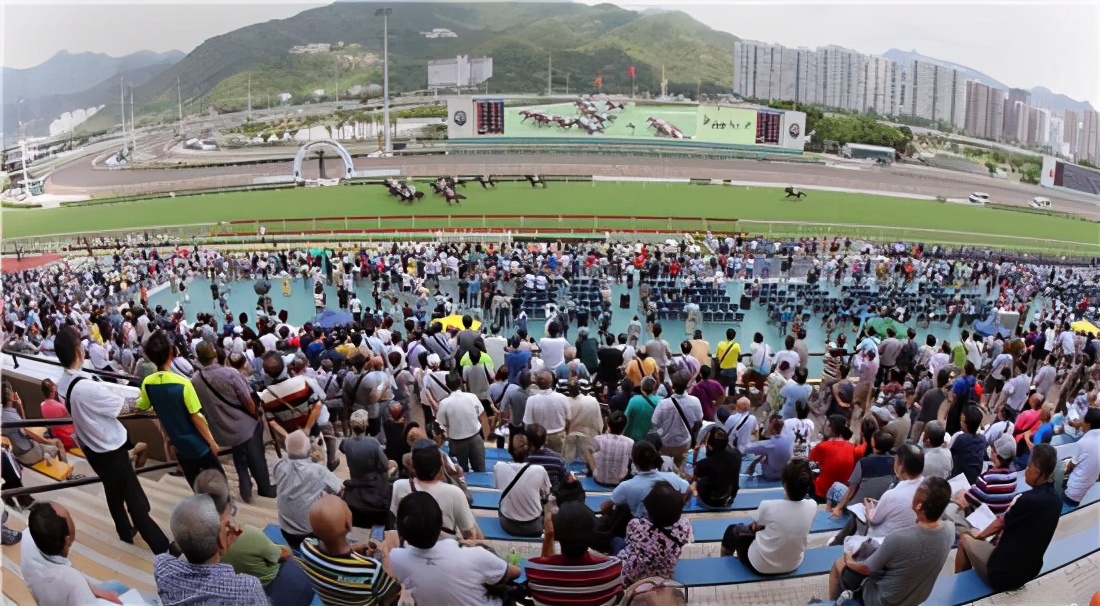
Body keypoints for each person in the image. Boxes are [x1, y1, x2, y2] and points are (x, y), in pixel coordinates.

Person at [54, 326, 171, 553]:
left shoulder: (63, 385)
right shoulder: (86, 388)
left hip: (93, 449)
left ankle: (124, 532)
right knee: (137, 505)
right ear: (78, 352)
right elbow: (125, 408)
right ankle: (164, 549)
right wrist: (150, 403)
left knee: (113, 491)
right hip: (111, 451)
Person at [828, 477, 955, 605]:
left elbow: (866, 568)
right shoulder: (950, 529)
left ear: (919, 504)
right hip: (916, 598)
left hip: (883, 600)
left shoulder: (899, 538)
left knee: (841, 566)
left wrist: (848, 560)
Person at [197, 470, 315, 606]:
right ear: (228, 504)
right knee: (298, 564)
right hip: (268, 586)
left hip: (239, 591)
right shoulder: (249, 535)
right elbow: (281, 554)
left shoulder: (195, 542)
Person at [955, 443, 1062, 592]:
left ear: (1038, 473)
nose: (1026, 470)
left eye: (1029, 466)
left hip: (1001, 574)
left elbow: (999, 523)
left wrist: (978, 536)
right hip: (1029, 571)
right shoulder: (1057, 502)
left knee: (964, 539)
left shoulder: (1024, 499)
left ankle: (959, 589)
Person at [390, 491, 522, 606]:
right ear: (441, 522)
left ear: (400, 529)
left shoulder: (396, 558)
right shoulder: (476, 555)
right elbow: (515, 572)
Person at [191, 342, 275, 502]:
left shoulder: (196, 379)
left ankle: (245, 487)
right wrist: (255, 415)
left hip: (222, 429)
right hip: (243, 424)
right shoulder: (230, 373)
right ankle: (265, 489)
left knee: (239, 452)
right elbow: (247, 401)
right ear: (215, 355)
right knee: (255, 454)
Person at [154, 494, 269, 605]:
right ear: (219, 541)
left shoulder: (162, 568)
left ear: (178, 543)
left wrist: (219, 544)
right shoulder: (247, 588)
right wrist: (223, 547)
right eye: (226, 524)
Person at [299, 494, 400, 605]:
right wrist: (386, 554)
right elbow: (392, 590)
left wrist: (353, 550)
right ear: (348, 524)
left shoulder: (306, 547)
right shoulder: (371, 569)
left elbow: (331, 559)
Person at [720, 459, 818, 575]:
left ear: (785, 484)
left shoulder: (768, 506)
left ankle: (723, 563)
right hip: (793, 564)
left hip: (760, 566)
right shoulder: (813, 505)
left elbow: (756, 527)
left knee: (733, 530)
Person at [21, 501, 123, 605]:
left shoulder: (27, 538)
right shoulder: (73, 581)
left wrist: (94, 590)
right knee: (118, 587)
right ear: (66, 540)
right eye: (68, 514)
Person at [525, 501, 624, 606]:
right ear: (594, 532)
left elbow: (543, 566)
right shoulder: (613, 569)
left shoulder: (533, 571)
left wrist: (549, 535)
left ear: (556, 535)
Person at [390, 441, 481, 540]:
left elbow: (393, 524)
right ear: (441, 464)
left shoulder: (399, 486)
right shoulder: (454, 493)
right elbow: (470, 535)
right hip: (443, 549)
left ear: (413, 467)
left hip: (409, 546)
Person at [272, 429, 342, 550]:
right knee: (331, 500)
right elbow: (338, 488)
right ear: (308, 449)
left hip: (285, 529)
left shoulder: (279, 466)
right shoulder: (318, 471)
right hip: (308, 532)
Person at [618, 480, 694, 583]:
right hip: (663, 575)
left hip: (633, 577)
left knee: (617, 542)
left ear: (649, 511)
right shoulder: (684, 528)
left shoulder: (636, 525)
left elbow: (629, 542)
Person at [607, 441, 690, 518]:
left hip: (641, 529)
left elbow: (607, 505)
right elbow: (689, 489)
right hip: (668, 523)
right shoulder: (672, 477)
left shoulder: (626, 486)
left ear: (634, 462)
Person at [340, 410, 394, 528]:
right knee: (393, 468)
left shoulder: (346, 443)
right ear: (366, 425)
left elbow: (342, 448)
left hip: (356, 481)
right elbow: (384, 465)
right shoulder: (373, 442)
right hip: (373, 484)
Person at [494, 433, 552, 537]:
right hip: (533, 526)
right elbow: (546, 495)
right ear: (529, 450)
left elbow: (499, 487)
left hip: (508, 524)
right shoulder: (540, 470)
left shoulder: (499, 467)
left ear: (510, 450)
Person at [2, 381, 68, 467]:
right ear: (10, 396)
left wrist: (20, 405)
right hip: (29, 455)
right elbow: (27, 430)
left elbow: (24, 425)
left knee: (42, 438)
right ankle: (66, 471)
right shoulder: (13, 417)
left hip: (16, 452)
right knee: (57, 443)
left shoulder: (4, 414)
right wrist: (48, 442)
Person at [828, 430, 894, 515]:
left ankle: (831, 512)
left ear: (873, 443)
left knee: (835, 486)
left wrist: (838, 507)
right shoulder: (894, 462)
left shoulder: (863, 463)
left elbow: (851, 492)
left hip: (857, 506)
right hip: (877, 505)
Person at [436, 373, 490, 473]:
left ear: (447, 385)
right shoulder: (472, 397)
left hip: (457, 442)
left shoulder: (444, 403)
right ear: (461, 382)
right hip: (475, 438)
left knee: (461, 473)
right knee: (480, 471)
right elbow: (483, 416)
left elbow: (441, 425)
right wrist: (486, 437)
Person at [954, 434, 1018, 516]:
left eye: (993, 450)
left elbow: (967, 499)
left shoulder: (987, 479)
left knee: (959, 495)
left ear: (997, 454)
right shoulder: (1014, 475)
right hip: (1000, 515)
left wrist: (963, 494)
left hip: (984, 519)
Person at [650, 372, 704, 469]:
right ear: (687, 385)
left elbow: (655, 422)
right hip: (684, 442)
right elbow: (699, 421)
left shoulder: (663, 404)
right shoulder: (695, 401)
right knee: (679, 466)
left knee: (664, 466)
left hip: (665, 443)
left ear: (672, 385)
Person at [692, 427, 742, 508]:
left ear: (710, 446)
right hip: (726, 496)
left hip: (709, 500)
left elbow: (694, 477)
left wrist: (695, 454)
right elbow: (735, 482)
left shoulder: (703, 463)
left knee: (695, 483)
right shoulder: (736, 457)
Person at [810, 415, 856, 502]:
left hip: (822, 491)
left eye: (827, 424)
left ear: (832, 427)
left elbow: (811, 461)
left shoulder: (823, 446)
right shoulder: (851, 446)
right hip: (841, 492)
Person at [523, 371, 571, 453]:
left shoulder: (531, 400)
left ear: (537, 383)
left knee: (539, 461)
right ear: (552, 382)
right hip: (557, 436)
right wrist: (566, 432)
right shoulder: (563, 398)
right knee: (557, 460)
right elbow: (568, 420)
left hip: (537, 437)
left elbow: (528, 423)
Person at [744, 415, 794, 482]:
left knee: (759, 457)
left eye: (769, 424)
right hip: (786, 473)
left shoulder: (769, 445)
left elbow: (746, 449)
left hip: (771, 476)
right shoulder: (791, 438)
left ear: (773, 430)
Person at [593, 412, 634, 487]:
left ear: (608, 424)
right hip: (620, 480)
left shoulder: (598, 439)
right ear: (624, 426)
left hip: (599, 479)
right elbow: (631, 459)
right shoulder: (630, 442)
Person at [910, 369, 950, 444]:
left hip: (925, 426)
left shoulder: (930, 393)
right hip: (936, 430)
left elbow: (921, 407)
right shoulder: (947, 398)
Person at [37, 379, 78, 452]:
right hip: (68, 437)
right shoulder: (60, 406)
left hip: (57, 437)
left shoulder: (42, 405)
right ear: (54, 388)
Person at [950, 405, 986, 485]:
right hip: (973, 479)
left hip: (959, 478)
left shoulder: (961, 438)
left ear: (963, 419)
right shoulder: (982, 438)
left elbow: (950, 454)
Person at [623, 376, 659, 442]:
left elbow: (625, 419)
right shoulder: (659, 401)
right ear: (654, 388)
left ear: (641, 387)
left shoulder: (634, 400)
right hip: (651, 439)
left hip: (633, 438)